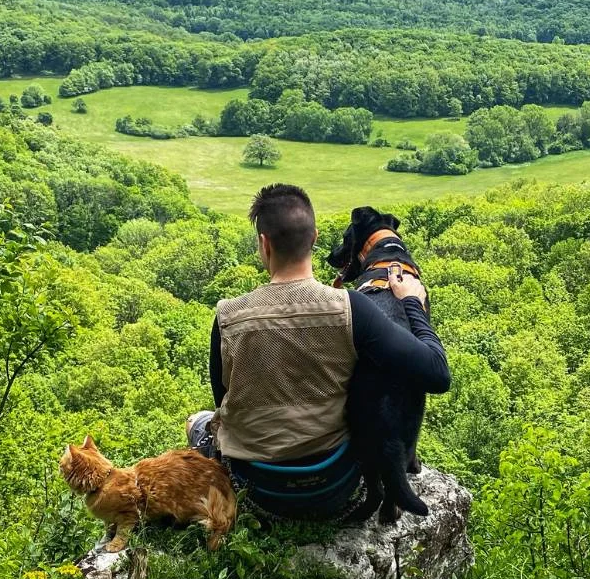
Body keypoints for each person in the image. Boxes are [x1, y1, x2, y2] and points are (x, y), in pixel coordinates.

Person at [187, 184, 450, 520]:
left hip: (259, 489)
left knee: (199, 421)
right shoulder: (352, 308)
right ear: (314, 238)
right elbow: (437, 374)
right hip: (335, 485)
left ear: (263, 244)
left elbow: (223, 402)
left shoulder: (227, 315)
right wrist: (412, 301)